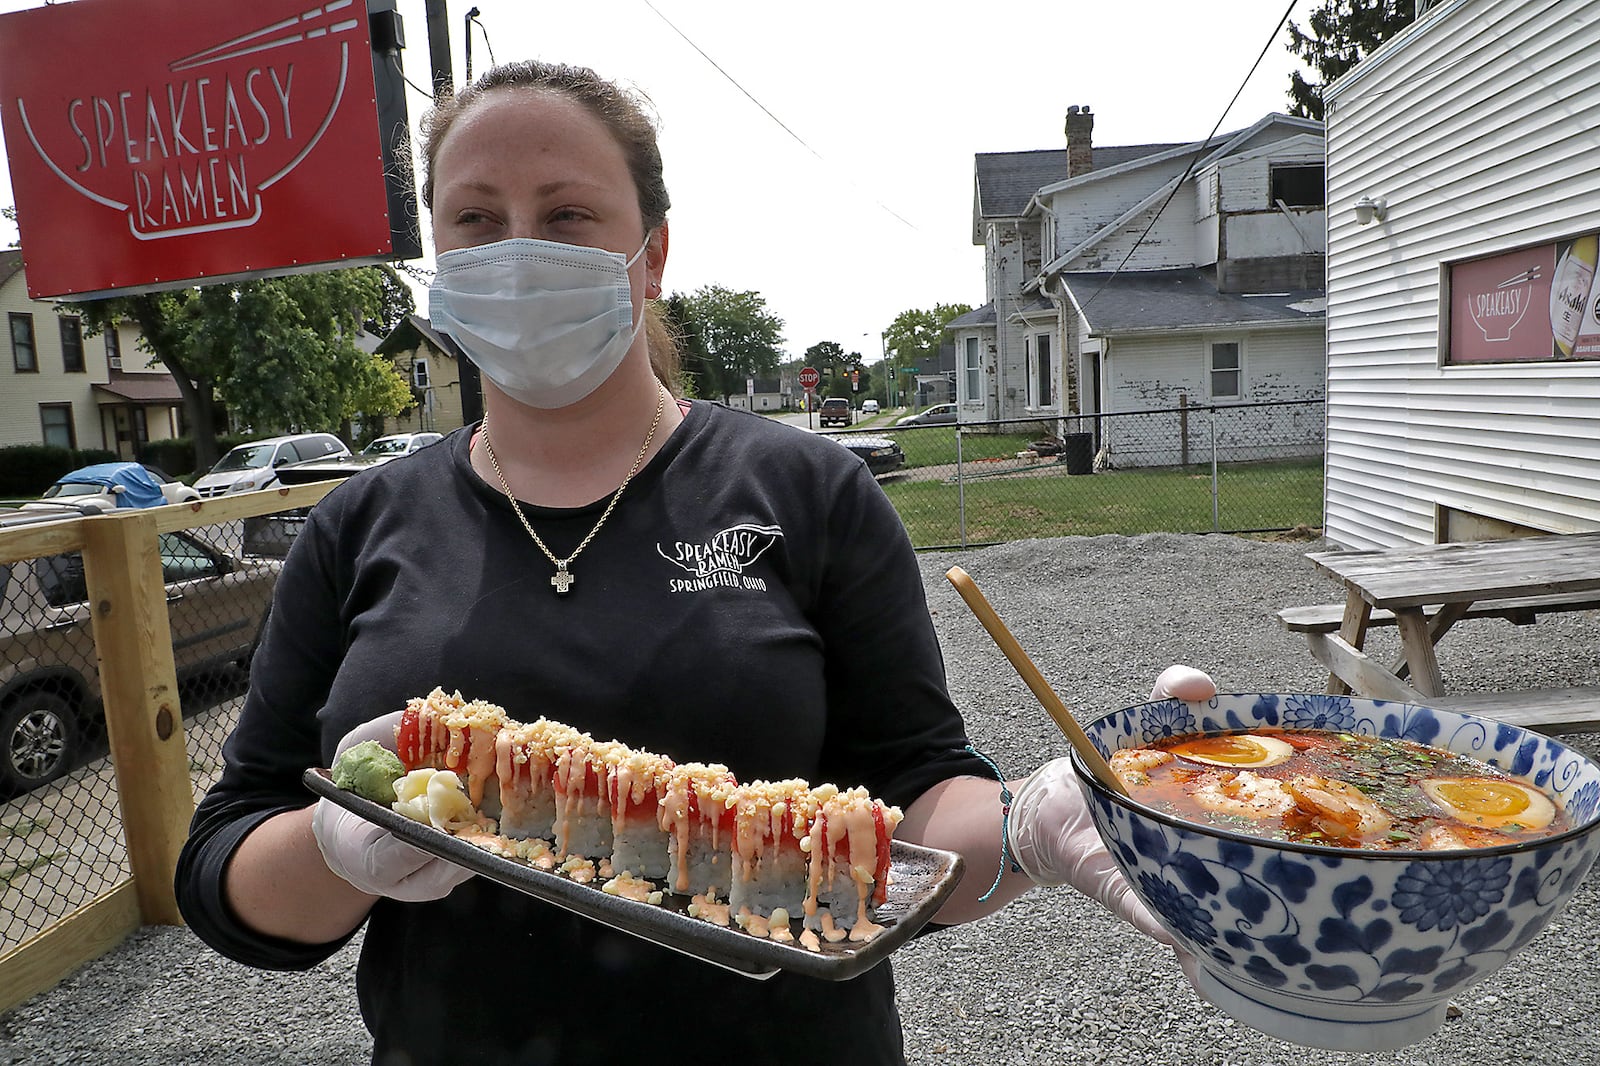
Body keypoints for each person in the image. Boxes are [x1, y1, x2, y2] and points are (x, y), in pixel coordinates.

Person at [175, 60, 1213, 1065]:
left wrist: (1036, 819)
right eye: (476, 220)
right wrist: (335, 840)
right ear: (439, 256)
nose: (519, 250)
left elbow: (913, 793)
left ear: (652, 253)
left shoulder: (807, 494)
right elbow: (225, 873)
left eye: (568, 214)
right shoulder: (355, 527)